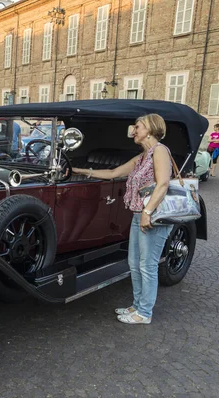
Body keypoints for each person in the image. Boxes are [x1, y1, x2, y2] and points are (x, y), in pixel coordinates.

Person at [73, 114, 173, 325]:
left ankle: (144, 313)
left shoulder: (160, 151)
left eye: (137, 127)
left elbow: (163, 183)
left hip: (152, 217)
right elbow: (114, 172)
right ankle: (137, 305)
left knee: (147, 265)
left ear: (150, 128)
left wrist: (147, 213)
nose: (133, 131)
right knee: (134, 263)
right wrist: (80, 171)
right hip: (139, 216)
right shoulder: (143, 156)